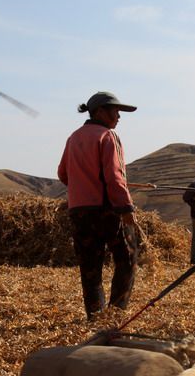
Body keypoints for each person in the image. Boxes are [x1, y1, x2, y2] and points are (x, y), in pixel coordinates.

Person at [58, 91, 139, 319]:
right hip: (107, 210)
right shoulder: (107, 136)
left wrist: (83, 186)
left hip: (79, 212)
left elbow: (63, 174)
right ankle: (116, 313)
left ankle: (95, 315)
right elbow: (114, 178)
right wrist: (126, 209)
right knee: (127, 258)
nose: (119, 117)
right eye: (116, 111)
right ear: (100, 111)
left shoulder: (73, 137)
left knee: (90, 267)